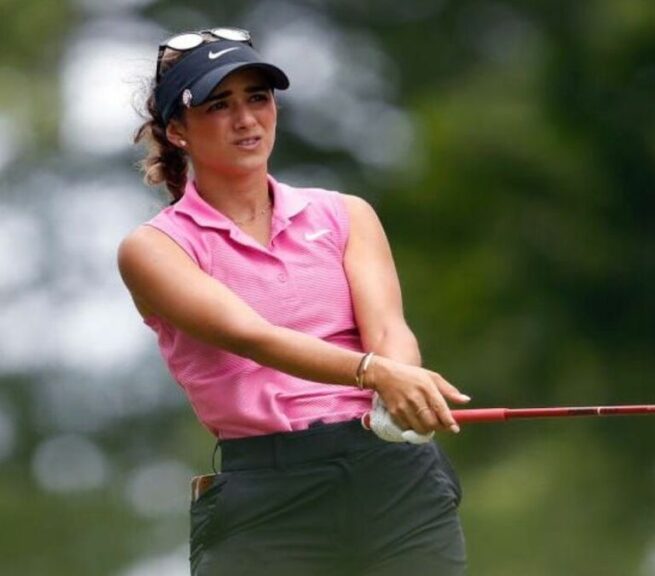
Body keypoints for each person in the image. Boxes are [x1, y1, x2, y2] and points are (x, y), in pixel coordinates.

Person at [118, 27, 469, 575]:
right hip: (267, 495)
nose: (246, 120)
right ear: (178, 132)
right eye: (219, 105)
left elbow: (389, 330)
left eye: (257, 98)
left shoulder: (345, 214)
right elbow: (251, 336)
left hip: (394, 477)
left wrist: (402, 391)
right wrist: (376, 374)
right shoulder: (155, 249)